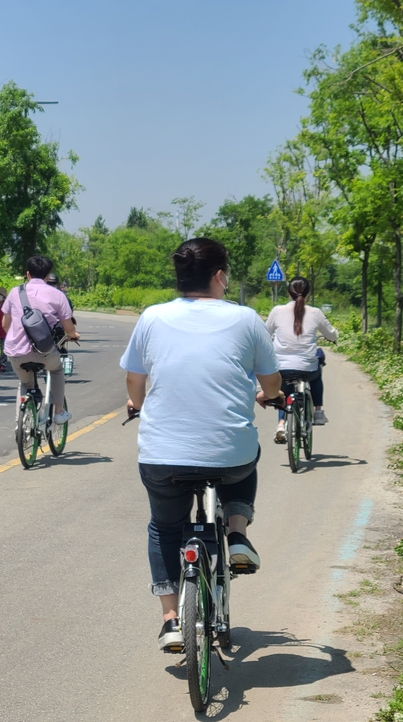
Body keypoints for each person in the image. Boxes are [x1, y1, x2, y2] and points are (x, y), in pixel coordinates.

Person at [119, 238, 284, 651]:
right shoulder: (247, 319)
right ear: (219, 276)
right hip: (230, 457)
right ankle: (237, 533)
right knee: (247, 456)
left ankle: (171, 620)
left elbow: (134, 381)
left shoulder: (152, 317)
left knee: (164, 528)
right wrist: (268, 396)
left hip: (162, 457)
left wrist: (135, 405)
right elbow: (271, 383)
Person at [1, 256, 80, 425]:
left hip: (16, 353)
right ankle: (58, 412)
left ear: (27, 274)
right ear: (47, 276)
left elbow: (5, 324)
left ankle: (21, 424)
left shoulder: (15, 292)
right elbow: (68, 327)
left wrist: (18, 337)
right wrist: (73, 335)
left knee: (25, 382)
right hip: (44, 352)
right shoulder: (58, 295)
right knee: (57, 370)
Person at [266, 277, 338, 442]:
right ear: (308, 293)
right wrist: (335, 337)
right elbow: (331, 333)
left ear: (288, 292)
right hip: (307, 368)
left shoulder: (277, 311)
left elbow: (265, 333)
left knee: (284, 391)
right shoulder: (316, 313)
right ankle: (318, 412)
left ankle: (281, 424)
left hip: (282, 366)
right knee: (317, 373)